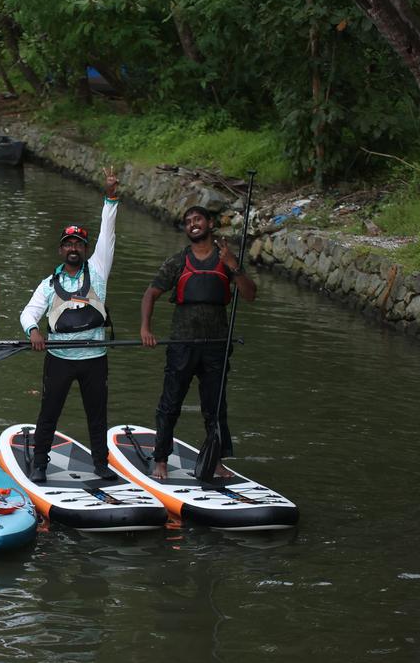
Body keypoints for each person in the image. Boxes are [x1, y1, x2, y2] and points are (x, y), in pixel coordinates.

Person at [19, 168, 122, 483]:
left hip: (94, 359)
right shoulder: (49, 283)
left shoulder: (99, 268)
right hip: (60, 359)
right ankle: (39, 464)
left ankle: (101, 465)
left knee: (97, 417)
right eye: (68, 244)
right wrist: (34, 332)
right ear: (61, 249)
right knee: (48, 416)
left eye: (79, 243)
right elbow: (27, 314)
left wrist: (111, 197)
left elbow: (108, 231)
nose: (73, 248)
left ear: (87, 249)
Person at [140, 204, 256, 480]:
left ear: (209, 223)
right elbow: (150, 293)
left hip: (216, 346)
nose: (193, 223)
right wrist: (146, 328)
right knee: (170, 403)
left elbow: (250, 295)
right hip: (182, 344)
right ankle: (160, 461)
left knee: (215, 407)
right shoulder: (178, 261)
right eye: (188, 221)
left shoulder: (226, 258)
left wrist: (234, 267)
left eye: (198, 219)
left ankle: (216, 462)